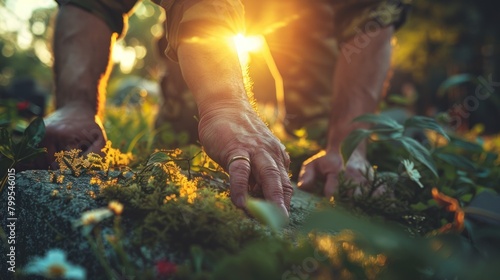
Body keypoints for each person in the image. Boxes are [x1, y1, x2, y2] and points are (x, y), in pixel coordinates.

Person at [41, 0, 409, 216]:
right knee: (183, 141)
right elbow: (92, 4)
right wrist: (75, 104)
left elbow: (371, 13)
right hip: (200, 12)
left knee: (325, 161)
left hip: (299, 16)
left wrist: (348, 147)